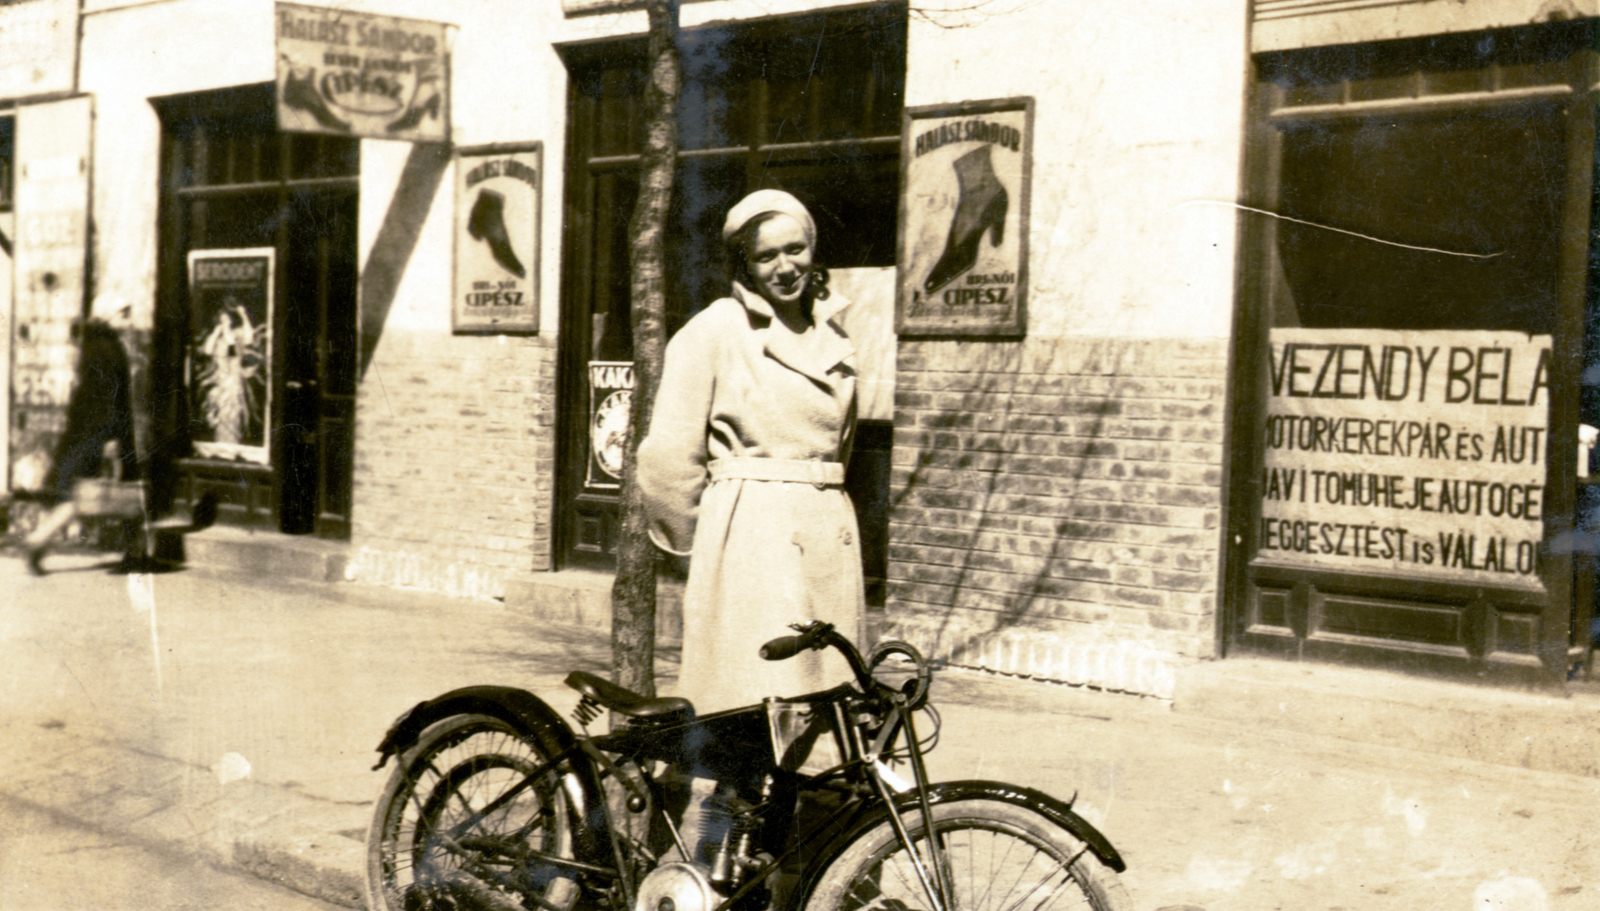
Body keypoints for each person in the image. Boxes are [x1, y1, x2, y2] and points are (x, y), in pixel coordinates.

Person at [639, 189, 866, 715]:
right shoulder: (717, 329)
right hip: (750, 537)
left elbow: (841, 447)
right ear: (744, 263)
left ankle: (807, 793)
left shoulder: (835, 333)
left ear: (813, 250)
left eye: (795, 250)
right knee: (758, 694)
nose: (785, 268)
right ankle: (733, 800)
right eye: (766, 256)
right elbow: (666, 459)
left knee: (828, 692)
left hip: (828, 534)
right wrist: (713, 541)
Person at [24, 317, 142, 576]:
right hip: (100, 432)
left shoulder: (96, 348)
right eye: (124, 314)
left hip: (91, 431)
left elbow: (98, 394)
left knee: (83, 490)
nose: (128, 318)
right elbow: (107, 394)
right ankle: (39, 539)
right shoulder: (109, 347)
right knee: (108, 491)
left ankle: (40, 539)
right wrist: (111, 436)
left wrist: (107, 435)